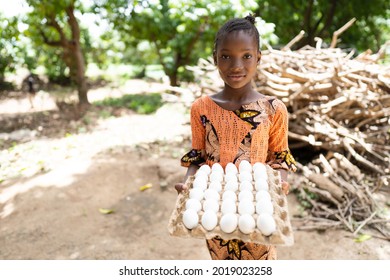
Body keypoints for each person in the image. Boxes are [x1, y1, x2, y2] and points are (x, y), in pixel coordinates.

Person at [174, 14, 297, 260]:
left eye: (246, 55)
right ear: (215, 59)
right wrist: (190, 185)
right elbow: (197, 157)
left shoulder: (273, 109)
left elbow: (280, 158)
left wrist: (276, 187)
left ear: (258, 58)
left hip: (257, 216)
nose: (236, 65)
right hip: (215, 212)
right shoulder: (201, 108)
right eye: (226, 56)